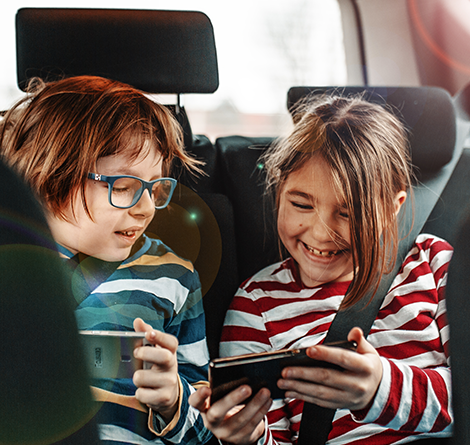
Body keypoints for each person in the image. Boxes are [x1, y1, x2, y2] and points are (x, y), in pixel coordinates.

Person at [189, 95, 453, 444]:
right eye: (301, 204)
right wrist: (249, 437)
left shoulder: (434, 264)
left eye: (347, 213)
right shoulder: (256, 306)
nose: (320, 233)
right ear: (278, 191)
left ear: (393, 207)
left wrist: (381, 390)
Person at [0, 75, 212, 445]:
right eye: (124, 188)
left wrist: (174, 401)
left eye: (155, 187)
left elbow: (211, 428)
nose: (146, 209)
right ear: (50, 177)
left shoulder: (174, 277)